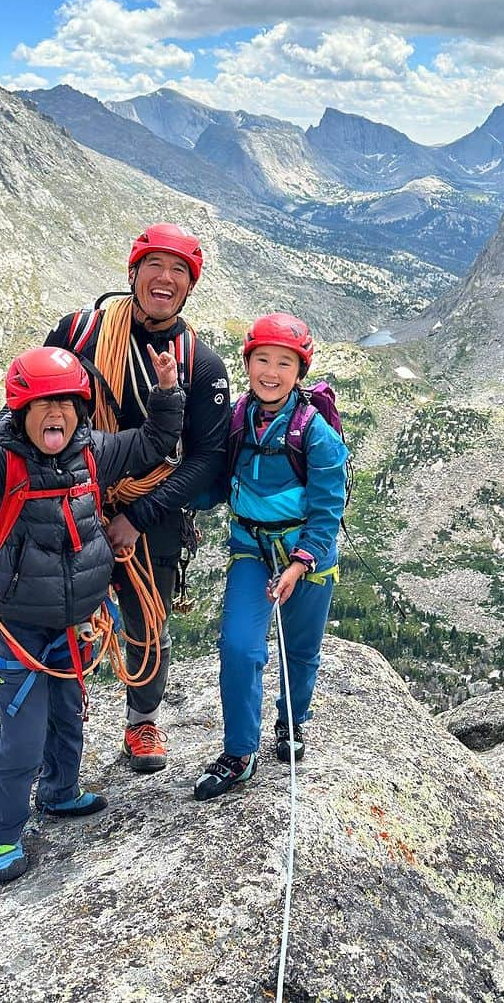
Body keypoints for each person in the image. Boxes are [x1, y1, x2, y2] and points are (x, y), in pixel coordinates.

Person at [0, 333, 184, 883]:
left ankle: (60, 792)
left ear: (79, 411)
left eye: (65, 403)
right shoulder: (0, 464)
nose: (54, 413)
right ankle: (3, 832)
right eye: (42, 405)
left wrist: (168, 390)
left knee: (68, 720)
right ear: (22, 412)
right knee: (22, 736)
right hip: (23, 632)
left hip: (77, 622)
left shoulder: (93, 453)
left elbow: (154, 443)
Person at [44, 223, 230, 774]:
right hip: (76, 500)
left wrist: (138, 514)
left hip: (152, 510)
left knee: (146, 621)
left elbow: (205, 459)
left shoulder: (200, 363)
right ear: (133, 272)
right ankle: (58, 730)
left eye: (179, 270)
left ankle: (141, 722)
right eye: (156, 265)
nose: (165, 278)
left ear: (189, 286)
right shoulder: (80, 334)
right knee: (62, 616)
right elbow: (37, 407)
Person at [194, 313, 348, 800]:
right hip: (253, 549)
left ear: (299, 372)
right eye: (262, 359)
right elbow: (217, 482)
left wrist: (301, 563)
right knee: (240, 648)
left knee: (299, 651)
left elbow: (328, 508)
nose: (271, 371)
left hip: (309, 556)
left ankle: (291, 721)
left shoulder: (315, 432)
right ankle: (240, 753)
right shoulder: (236, 419)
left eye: (285, 362)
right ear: (248, 363)